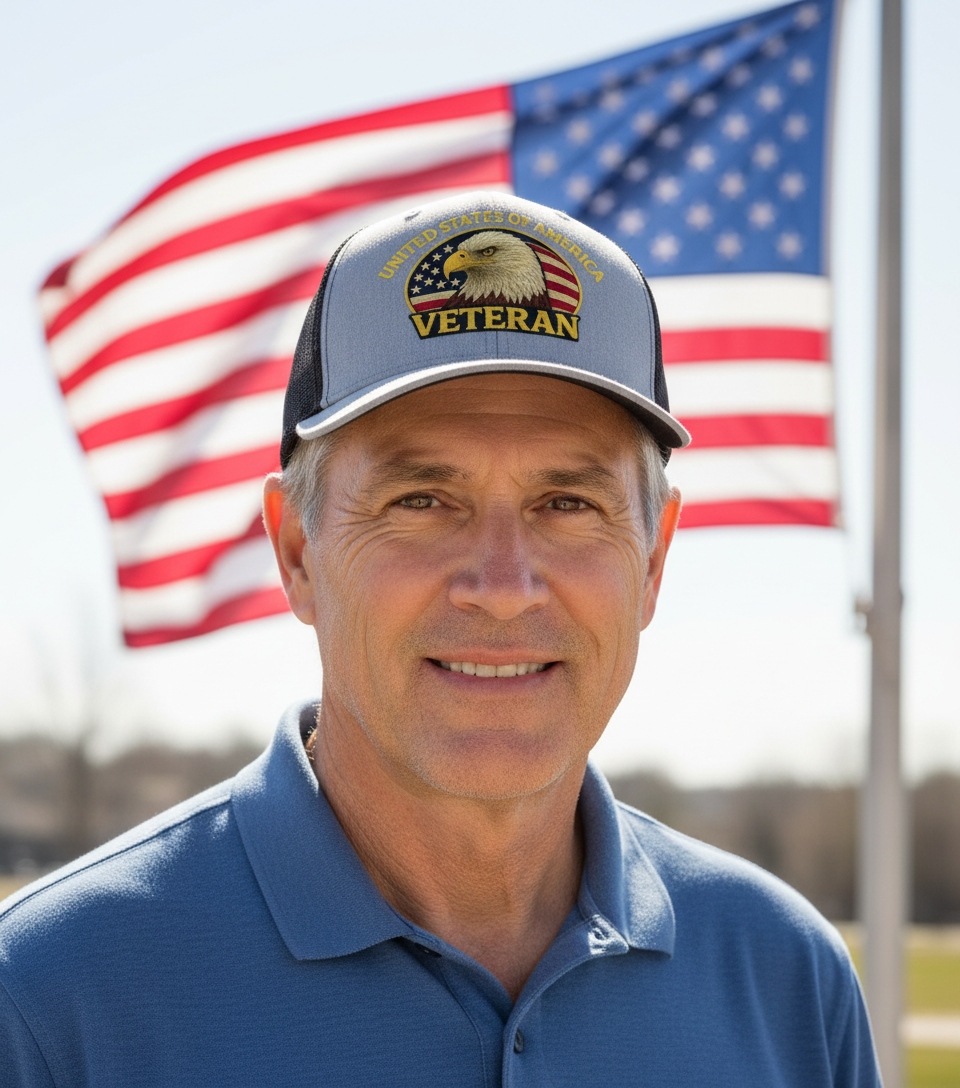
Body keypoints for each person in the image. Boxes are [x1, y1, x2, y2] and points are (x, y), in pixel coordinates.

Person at [0, 192, 880, 1086]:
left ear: (653, 560)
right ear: (298, 552)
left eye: (568, 503)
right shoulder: (48, 999)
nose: (502, 588)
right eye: (421, 501)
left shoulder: (789, 986)